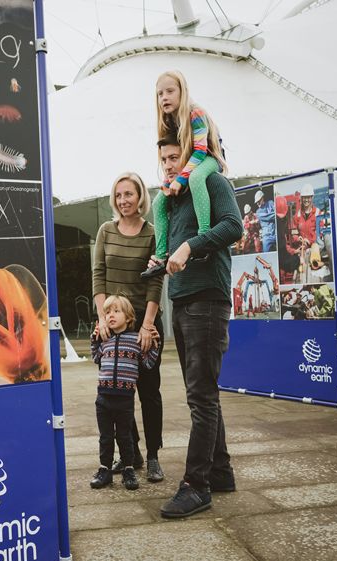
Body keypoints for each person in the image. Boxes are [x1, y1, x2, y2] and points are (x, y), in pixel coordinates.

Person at [146, 134, 243, 519]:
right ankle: (219, 471)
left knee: (200, 397)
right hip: (184, 299)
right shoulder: (172, 199)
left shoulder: (211, 182)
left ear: (189, 155)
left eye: (175, 157)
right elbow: (173, 249)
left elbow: (234, 226)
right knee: (204, 393)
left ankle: (196, 485)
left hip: (207, 297)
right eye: (164, 159)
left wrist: (191, 246)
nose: (169, 164)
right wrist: (164, 256)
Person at [92, 172, 165, 483]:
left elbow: (156, 281)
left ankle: (152, 457)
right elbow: (99, 277)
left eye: (129, 194)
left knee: (148, 392)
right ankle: (130, 452)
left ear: (140, 199)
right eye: (118, 195)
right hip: (113, 322)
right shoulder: (106, 231)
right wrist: (102, 318)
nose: (123, 201)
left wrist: (147, 326)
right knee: (117, 389)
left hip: (144, 322)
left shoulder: (152, 232)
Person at [150, 71, 227, 264]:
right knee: (158, 202)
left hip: (209, 157)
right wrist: (169, 181)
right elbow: (173, 155)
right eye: (160, 94)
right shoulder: (169, 120)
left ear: (182, 92)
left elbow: (200, 150)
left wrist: (181, 178)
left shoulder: (195, 113)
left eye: (170, 91)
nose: (164, 97)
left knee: (196, 178)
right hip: (189, 163)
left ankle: (203, 237)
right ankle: (161, 255)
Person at [89, 295, 161, 491]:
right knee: (105, 437)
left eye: (116, 311)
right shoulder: (106, 339)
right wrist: (94, 337)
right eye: (107, 312)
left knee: (124, 437)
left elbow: (147, 363)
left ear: (129, 317)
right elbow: (95, 357)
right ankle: (104, 470)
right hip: (103, 398)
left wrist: (155, 342)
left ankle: (129, 468)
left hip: (124, 399)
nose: (110, 316)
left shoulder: (136, 340)